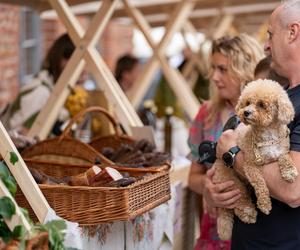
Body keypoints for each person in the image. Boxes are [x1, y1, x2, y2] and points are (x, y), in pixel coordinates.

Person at [214, 0, 300, 248]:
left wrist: (232, 154)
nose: (266, 45)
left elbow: (292, 190)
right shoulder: (279, 93)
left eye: (270, 35)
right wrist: (216, 190)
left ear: (292, 32)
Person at [187, 34, 264, 250]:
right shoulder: (206, 114)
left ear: (245, 69)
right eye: (212, 68)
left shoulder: (265, 114)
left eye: (222, 69)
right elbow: (193, 176)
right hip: (214, 232)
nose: (213, 76)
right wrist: (207, 188)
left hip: (257, 228)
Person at [7, 33, 87, 135]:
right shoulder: (40, 92)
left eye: (85, 61)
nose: (83, 69)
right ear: (59, 59)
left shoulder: (64, 92)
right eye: (76, 60)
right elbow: (24, 137)